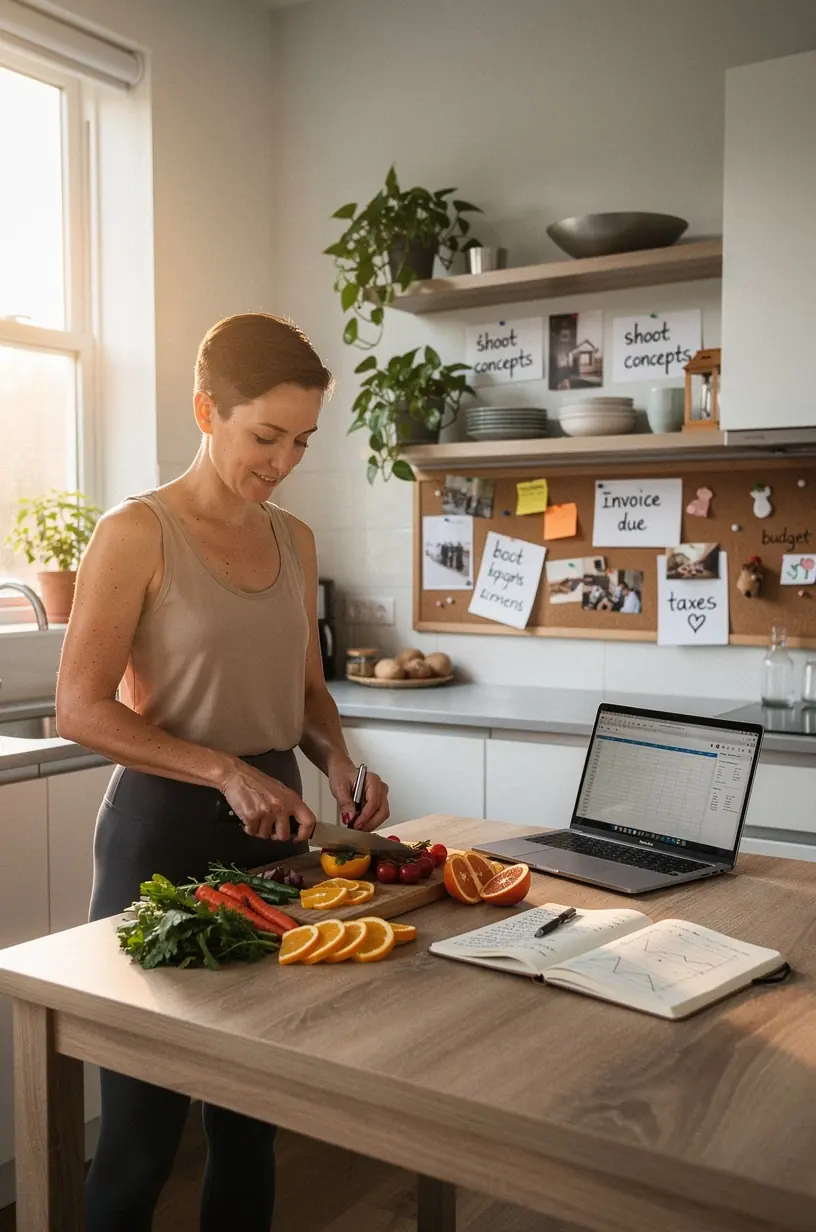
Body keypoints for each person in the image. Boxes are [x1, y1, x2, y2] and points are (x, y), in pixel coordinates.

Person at [56, 312, 390, 1232]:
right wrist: (224, 773)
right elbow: (80, 708)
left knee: (250, 1123)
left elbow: (307, 691)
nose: (284, 462)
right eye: (266, 436)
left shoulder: (296, 539)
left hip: (273, 837)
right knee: (141, 1133)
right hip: (159, 836)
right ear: (207, 411)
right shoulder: (137, 531)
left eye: (302, 441)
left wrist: (339, 759)